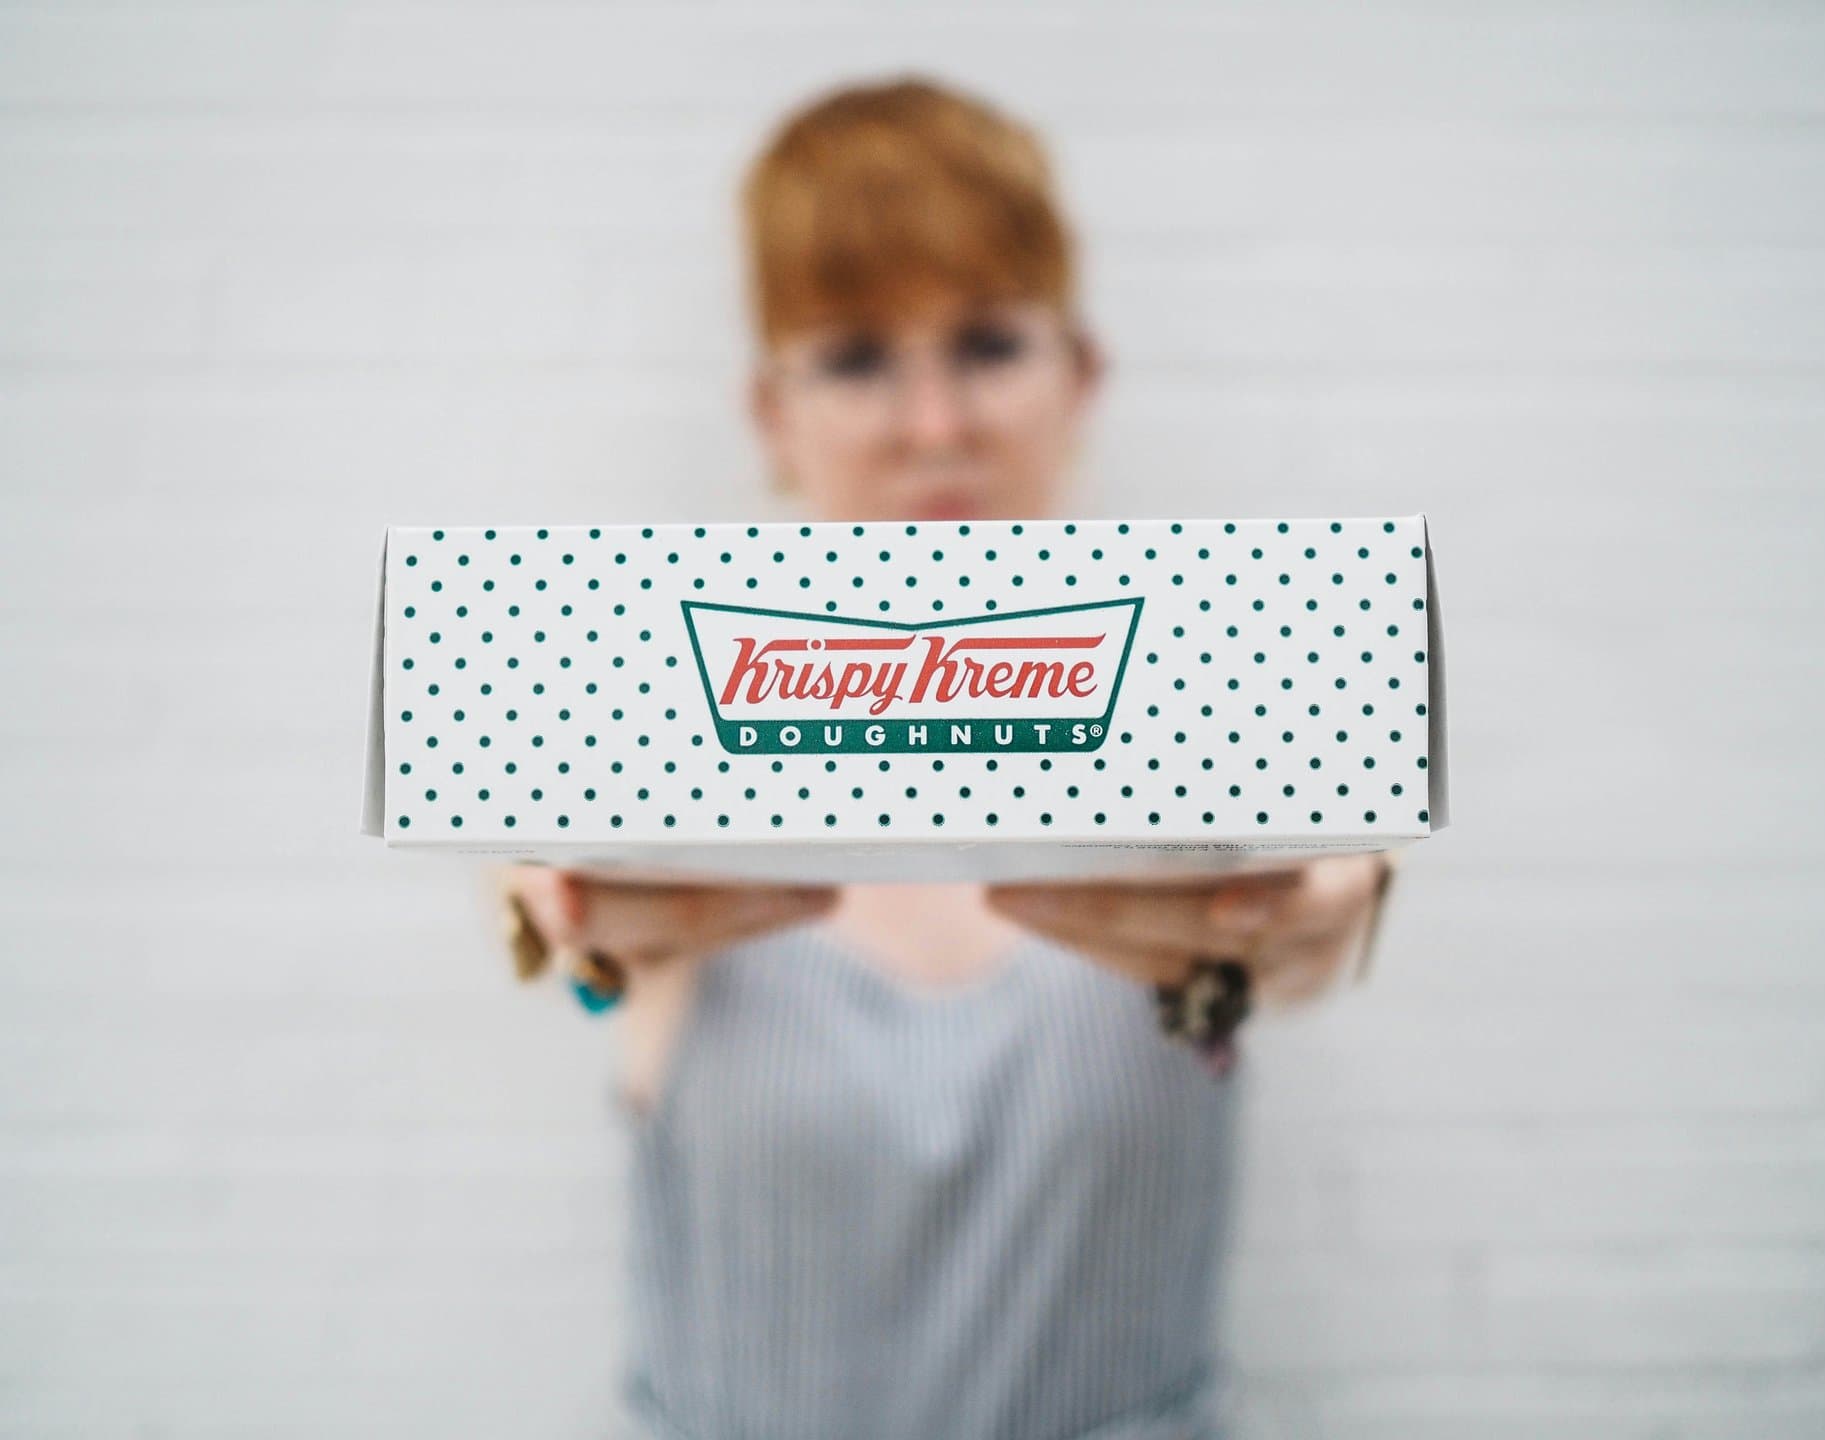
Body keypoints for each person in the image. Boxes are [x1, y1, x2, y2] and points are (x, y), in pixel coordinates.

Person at [501, 76, 1399, 1440]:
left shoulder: (1216, 742)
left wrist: (1328, 914)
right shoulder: (657, 765)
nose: (934, 424)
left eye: (986, 344)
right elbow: (568, 920)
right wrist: (573, 944)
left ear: (1079, 375)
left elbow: (1322, 904)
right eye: (857, 356)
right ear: (770, 412)